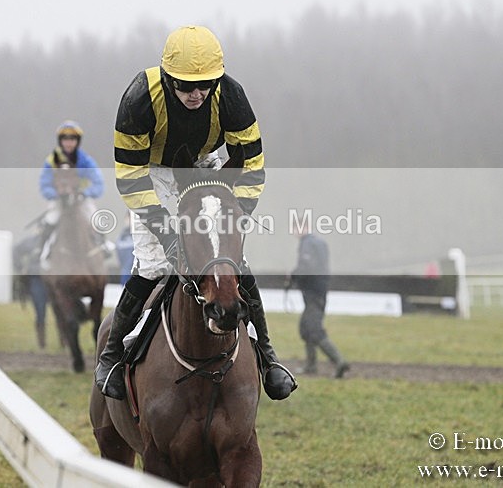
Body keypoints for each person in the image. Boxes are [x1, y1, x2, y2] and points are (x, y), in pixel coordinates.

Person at [95, 25, 296, 401]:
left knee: (234, 261)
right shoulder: (139, 98)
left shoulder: (232, 96)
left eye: (204, 85)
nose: (196, 94)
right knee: (154, 264)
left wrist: (236, 217)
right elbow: (130, 177)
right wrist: (166, 232)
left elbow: (252, 165)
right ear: (168, 78)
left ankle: (268, 357)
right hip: (154, 173)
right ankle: (111, 355)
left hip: (206, 165)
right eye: (186, 86)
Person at [287, 220, 350, 378]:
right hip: (319, 292)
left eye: (295, 228)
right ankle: (311, 365)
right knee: (306, 327)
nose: (294, 232)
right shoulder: (319, 242)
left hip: (314, 293)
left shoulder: (307, 243)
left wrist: (293, 278)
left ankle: (339, 361)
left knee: (313, 329)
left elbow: (306, 266)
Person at [38, 120, 105, 258]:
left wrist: (85, 193)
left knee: (95, 217)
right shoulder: (51, 161)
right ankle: (43, 251)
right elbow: (44, 184)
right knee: (51, 219)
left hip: (81, 199)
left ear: (77, 141)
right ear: (60, 141)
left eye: (72, 139)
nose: (68, 143)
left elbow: (99, 183)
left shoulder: (85, 161)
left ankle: (103, 246)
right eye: (65, 139)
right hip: (59, 200)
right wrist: (55, 194)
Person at [12, 230, 50, 349]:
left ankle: (65, 339)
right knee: (40, 310)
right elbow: (16, 250)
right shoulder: (32, 241)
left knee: (61, 310)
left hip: (54, 279)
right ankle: (42, 342)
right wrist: (20, 267)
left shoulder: (55, 239)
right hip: (37, 279)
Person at [115, 211, 135, 284]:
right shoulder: (121, 236)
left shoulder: (139, 235)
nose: (130, 221)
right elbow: (118, 251)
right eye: (128, 218)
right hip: (125, 272)